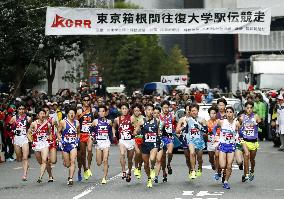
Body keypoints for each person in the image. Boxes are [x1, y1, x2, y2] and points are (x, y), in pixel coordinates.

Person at [134, 103, 160, 188]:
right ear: (145, 111)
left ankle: (152, 168)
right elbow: (135, 132)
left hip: (154, 143)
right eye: (148, 110)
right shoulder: (141, 121)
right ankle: (149, 178)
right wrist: (138, 133)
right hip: (145, 144)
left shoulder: (157, 121)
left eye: (152, 110)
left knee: (152, 159)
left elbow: (158, 132)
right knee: (145, 164)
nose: (150, 111)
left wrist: (159, 136)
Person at [214, 107, 240, 189]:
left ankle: (226, 181)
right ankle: (219, 171)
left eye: (230, 112)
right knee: (222, 165)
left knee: (229, 165)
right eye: (227, 112)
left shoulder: (236, 123)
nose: (229, 114)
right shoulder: (221, 122)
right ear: (225, 113)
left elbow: (240, 132)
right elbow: (214, 128)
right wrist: (216, 136)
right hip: (223, 145)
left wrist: (237, 136)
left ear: (233, 113)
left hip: (231, 146)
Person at [239, 101, 262, 182]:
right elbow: (238, 126)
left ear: (252, 108)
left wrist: (256, 123)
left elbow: (261, 125)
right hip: (245, 141)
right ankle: (246, 174)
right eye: (247, 108)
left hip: (254, 142)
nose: (249, 109)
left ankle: (252, 171)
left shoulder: (256, 116)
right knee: (246, 157)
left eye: (250, 108)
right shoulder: (242, 117)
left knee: (252, 160)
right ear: (245, 108)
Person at [8, 103, 32, 181]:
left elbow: (32, 127)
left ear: (25, 110)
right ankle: (24, 163)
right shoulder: (14, 118)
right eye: (20, 109)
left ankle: (24, 175)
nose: (21, 111)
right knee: (19, 158)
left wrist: (29, 132)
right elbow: (8, 127)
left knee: (25, 158)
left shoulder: (28, 118)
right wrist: (14, 130)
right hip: (17, 139)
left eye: (22, 109)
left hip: (25, 138)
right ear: (17, 110)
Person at [57, 107, 80, 186]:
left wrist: (78, 139)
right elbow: (58, 132)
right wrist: (60, 139)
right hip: (65, 144)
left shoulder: (77, 123)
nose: (72, 114)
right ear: (67, 114)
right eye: (70, 113)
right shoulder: (63, 122)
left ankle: (70, 178)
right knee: (67, 164)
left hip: (73, 144)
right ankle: (66, 163)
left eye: (73, 113)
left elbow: (79, 133)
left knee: (73, 161)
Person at [112, 103, 135, 182]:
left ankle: (129, 172)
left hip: (131, 141)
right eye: (123, 109)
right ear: (120, 110)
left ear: (128, 109)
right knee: (122, 153)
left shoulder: (132, 118)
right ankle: (123, 171)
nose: (124, 110)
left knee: (130, 159)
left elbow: (136, 127)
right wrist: (114, 135)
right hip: (122, 140)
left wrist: (135, 131)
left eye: (126, 108)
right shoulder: (117, 119)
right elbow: (113, 127)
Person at [28, 109, 52, 183]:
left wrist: (49, 137)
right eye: (41, 113)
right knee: (41, 162)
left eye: (43, 114)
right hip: (36, 144)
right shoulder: (34, 124)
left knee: (44, 160)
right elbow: (28, 132)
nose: (42, 115)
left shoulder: (48, 124)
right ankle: (50, 174)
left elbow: (49, 133)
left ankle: (40, 177)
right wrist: (31, 141)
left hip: (44, 143)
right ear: (38, 115)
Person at [185, 103, 207, 180]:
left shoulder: (202, 120)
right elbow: (185, 130)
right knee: (192, 153)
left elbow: (206, 131)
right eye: (192, 111)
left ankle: (200, 167)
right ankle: (193, 170)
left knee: (199, 157)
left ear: (198, 111)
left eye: (195, 110)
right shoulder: (187, 120)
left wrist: (200, 127)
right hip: (191, 139)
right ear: (190, 112)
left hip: (199, 140)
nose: (194, 112)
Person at [92, 105, 112, 184]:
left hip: (106, 142)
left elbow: (110, 131)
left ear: (106, 112)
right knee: (99, 162)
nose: (101, 113)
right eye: (100, 111)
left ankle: (104, 177)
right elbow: (91, 130)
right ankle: (105, 166)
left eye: (103, 111)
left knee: (105, 160)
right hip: (98, 143)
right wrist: (93, 136)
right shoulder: (95, 121)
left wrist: (111, 138)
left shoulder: (109, 122)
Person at [77, 95, 94, 181]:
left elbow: (95, 121)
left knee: (90, 150)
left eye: (88, 100)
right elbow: (75, 122)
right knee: (82, 154)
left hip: (89, 134)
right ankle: (81, 170)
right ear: (82, 101)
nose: (86, 102)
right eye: (85, 100)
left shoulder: (93, 110)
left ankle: (88, 167)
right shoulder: (79, 111)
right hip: (81, 134)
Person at [159, 100, 175, 175]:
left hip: (169, 137)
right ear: (161, 108)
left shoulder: (172, 116)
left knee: (170, 152)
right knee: (162, 157)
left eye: (167, 107)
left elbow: (175, 125)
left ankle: (168, 164)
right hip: (161, 138)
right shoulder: (158, 116)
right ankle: (164, 171)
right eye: (164, 107)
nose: (166, 109)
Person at [176, 102, 191, 179]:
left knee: (193, 154)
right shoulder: (182, 119)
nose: (189, 111)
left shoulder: (196, 119)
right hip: (185, 139)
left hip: (194, 139)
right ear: (185, 110)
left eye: (190, 109)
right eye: (187, 109)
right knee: (187, 157)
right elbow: (177, 131)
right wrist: (183, 127)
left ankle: (193, 169)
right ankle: (190, 168)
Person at [131, 103, 144, 180]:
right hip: (134, 138)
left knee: (142, 155)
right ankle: (136, 167)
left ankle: (139, 168)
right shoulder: (131, 118)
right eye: (135, 110)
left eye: (138, 110)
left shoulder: (143, 118)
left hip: (142, 138)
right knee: (137, 153)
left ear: (140, 111)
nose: (136, 112)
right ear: (133, 111)